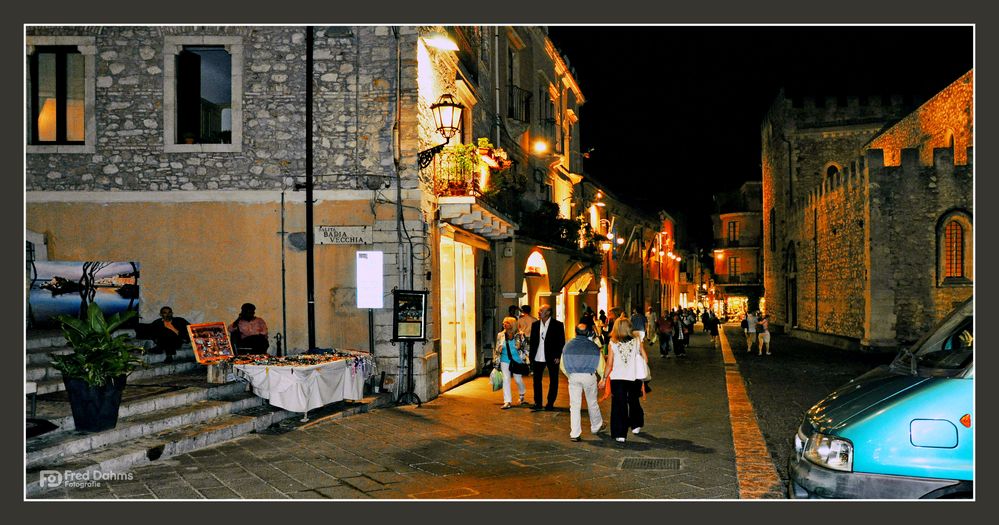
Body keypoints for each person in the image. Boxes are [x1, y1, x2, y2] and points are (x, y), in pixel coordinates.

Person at [599, 317, 648, 443]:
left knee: (619, 405)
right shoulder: (637, 340)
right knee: (633, 401)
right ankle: (636, 425)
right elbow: (645, 358)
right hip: (634, 377)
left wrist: (604, 378)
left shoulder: (612, 343)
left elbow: (609, 364)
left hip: (618, 378)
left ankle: (620, 434)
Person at [560, 323, 605, 441]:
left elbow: (562, 365)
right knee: (592, 402)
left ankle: (575, 433)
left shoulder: (568, 346)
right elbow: (601, 365)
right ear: (588, 333)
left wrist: (569, 375)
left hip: (574, 376)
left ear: (576, 332)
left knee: (574, 405)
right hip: (589, 376)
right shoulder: (593, 346)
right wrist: (603, 378)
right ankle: (596, 426)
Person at [528, 304, 565, 411]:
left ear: (548, 312)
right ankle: (538, 403)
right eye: (539, 310)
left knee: (553, 380)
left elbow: (561, 341)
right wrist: (531, 357)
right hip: (538, 356)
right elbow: (533, 342)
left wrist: (558, 355)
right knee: (536, 380)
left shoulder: (557, 325)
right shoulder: (535, 325)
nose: (539, 312)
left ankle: (550, 403)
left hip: (552, 356)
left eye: (541, 310)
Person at [493, 316, 528, 409]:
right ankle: (507, 401)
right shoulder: (500, 335)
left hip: (517, 360)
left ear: (512, 324)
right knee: (506, 379)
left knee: (518, 379)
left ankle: (522, 394)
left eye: (507, 323)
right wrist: (498, 351)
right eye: (504, 323)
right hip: (505, 359)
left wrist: (526, 357)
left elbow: (526, 348)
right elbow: (496, 349)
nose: (504, 324)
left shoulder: (520, 335)